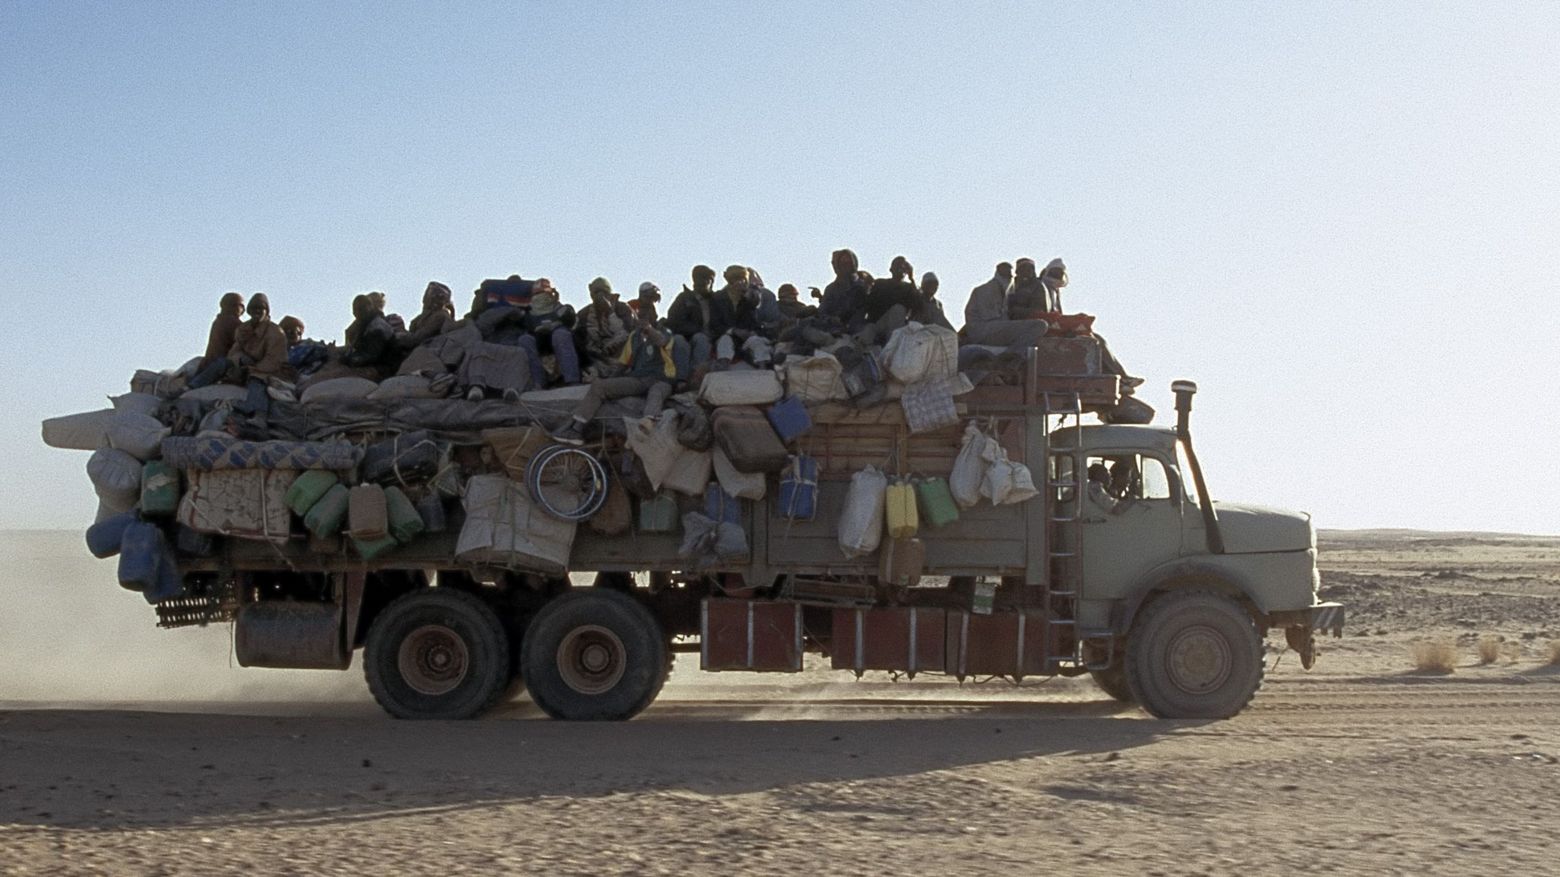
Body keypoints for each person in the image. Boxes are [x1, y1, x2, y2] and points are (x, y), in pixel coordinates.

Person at [551, 315, 678, 445]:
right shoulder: (634, 336)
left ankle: (647, 424)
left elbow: (661, 341)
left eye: (647, 312)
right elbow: (623, 364)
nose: (643, 316)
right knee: (599, 387)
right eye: (641, 313)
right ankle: (575, 430)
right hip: (638, 379)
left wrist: (649, 329)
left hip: (661, 378)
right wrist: (609, 383)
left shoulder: (664, 331)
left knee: (656, 393)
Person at [1031, 258, 1142, 389]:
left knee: (1098, 340)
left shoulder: (1054, 292)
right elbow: (1040, 315)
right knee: (1094, 343)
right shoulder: (1040, 289)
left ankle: (1119, 378)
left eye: (1059, 274)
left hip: (1056, 330)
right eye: (1054, 273)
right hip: (1045, 333)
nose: (1056, 276)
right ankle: (1121, 379)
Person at [228, 293, 289, 422]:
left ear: (266, 311)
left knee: (257, 382)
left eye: (261, 309)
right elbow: (234, 351)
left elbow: (275, 359)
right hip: (245, 367)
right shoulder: (243, 329)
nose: (257, 312)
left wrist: (253, 368)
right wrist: (240, 360)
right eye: (254, 308)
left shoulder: (275, 332)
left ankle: (259, 415)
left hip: (268, 371)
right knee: (220, 364)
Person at [963, 261, 1049, 349]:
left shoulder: (1006, 291)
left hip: (990, 328)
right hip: (983, 330)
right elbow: (993, 318)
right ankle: (1013, 353)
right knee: (1039, 326)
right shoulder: (986, 290)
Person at [518, 282, 581, 387]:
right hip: (540, 342)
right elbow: (527, 328)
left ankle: (572, 380)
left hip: (560, 339)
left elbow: (573, 323)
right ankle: (538, 382)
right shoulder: (528, 315)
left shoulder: (561, 309)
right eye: (537, 295)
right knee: (524, 340)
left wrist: (557, 307)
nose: (540, 298)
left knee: (560, 334)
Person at [709, 265, 768, 365]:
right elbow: (715, 324)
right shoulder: (718, 298)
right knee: (725, 341)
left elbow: (755, 308)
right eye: (736, 279)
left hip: (748, 336)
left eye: (743, 279)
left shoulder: (750, 295)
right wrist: (734, 331)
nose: (740, 282)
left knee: (757, 343)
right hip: (727, 335)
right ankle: (723, 366)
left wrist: (747, 296)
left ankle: (763, 367)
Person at [187, 292, 246, 389]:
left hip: (210, 363)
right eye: (241, 306)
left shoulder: (219, 321)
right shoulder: (233, 323)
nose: (243, 310)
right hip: (221, 364)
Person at [861, 255, 924, 343]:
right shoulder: (880, 283)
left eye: (904, 266)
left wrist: (911, 279)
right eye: (898, 265)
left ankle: (891, 348)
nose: (901, 268)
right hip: (878, 324)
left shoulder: (909, 288)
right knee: (867, 331)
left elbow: (918, 306)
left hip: (897, 328)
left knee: (898, 309)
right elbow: (869, 305)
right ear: (891, 269)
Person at [579, 276, 634, 376]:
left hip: (621, 355)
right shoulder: (584, 314)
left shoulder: (622, 308)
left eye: (603, 292)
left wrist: (610, 312)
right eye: (596, 293)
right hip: (597, 357)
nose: (600, 296)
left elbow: (628, 333)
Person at [667, 264, 716, 371]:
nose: (704, 283)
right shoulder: (684, 298)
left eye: (708, 280)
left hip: (712, 337)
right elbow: (673, 321)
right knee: (685, 340)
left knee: (702, 339)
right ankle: (682, 377)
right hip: (687, 337)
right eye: (700, 278)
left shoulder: (716, 300)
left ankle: (698, 372)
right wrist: (696, 330)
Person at [344, 293, 400, 375]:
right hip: (375, 364)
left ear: (370, 307)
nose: (357, 313)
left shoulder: (377, 327)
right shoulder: (364, 325)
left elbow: (371, 355)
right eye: (355, 310)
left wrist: (349, 360)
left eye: (361, 309)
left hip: (384, 368)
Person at [818, 249, 869, 334]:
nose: (846, 266)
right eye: (842, 264)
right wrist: (832, 320)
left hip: (857, 328)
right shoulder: (831, 288)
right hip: (832, 328)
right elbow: (823, 312)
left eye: (848, 263)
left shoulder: (864, 286)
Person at [400, 281, 457, 348]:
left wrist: (398, 335)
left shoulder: (440, 316)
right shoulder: (423, 316)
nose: (428, 298)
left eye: (434, 296)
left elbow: (417, 339)